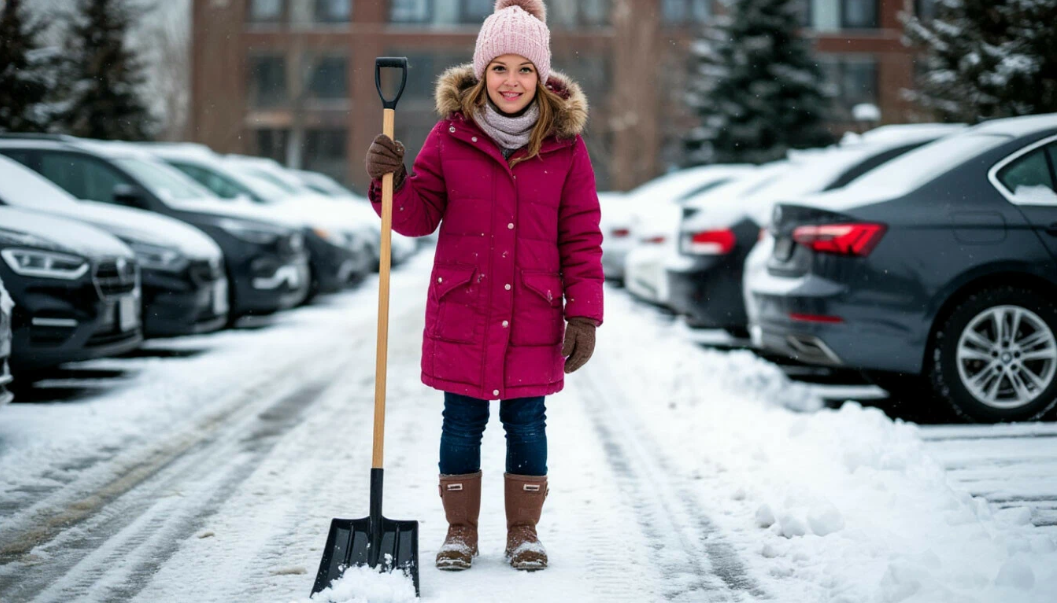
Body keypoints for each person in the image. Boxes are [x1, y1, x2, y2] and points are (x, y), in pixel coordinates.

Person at [364, 0, 603, 572]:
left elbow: (582, 235)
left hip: (534, 311)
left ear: (542, 75)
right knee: (461, 422)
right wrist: (386, 180)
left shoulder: (566, 147)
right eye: (500, 67)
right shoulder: (449, 137)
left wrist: (585, 315)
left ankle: (523, 531)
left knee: (527, 422)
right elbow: (417, 216)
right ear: (480, 72)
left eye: (525, 68)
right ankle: (460, 531)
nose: (512, 81)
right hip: (465, 308)